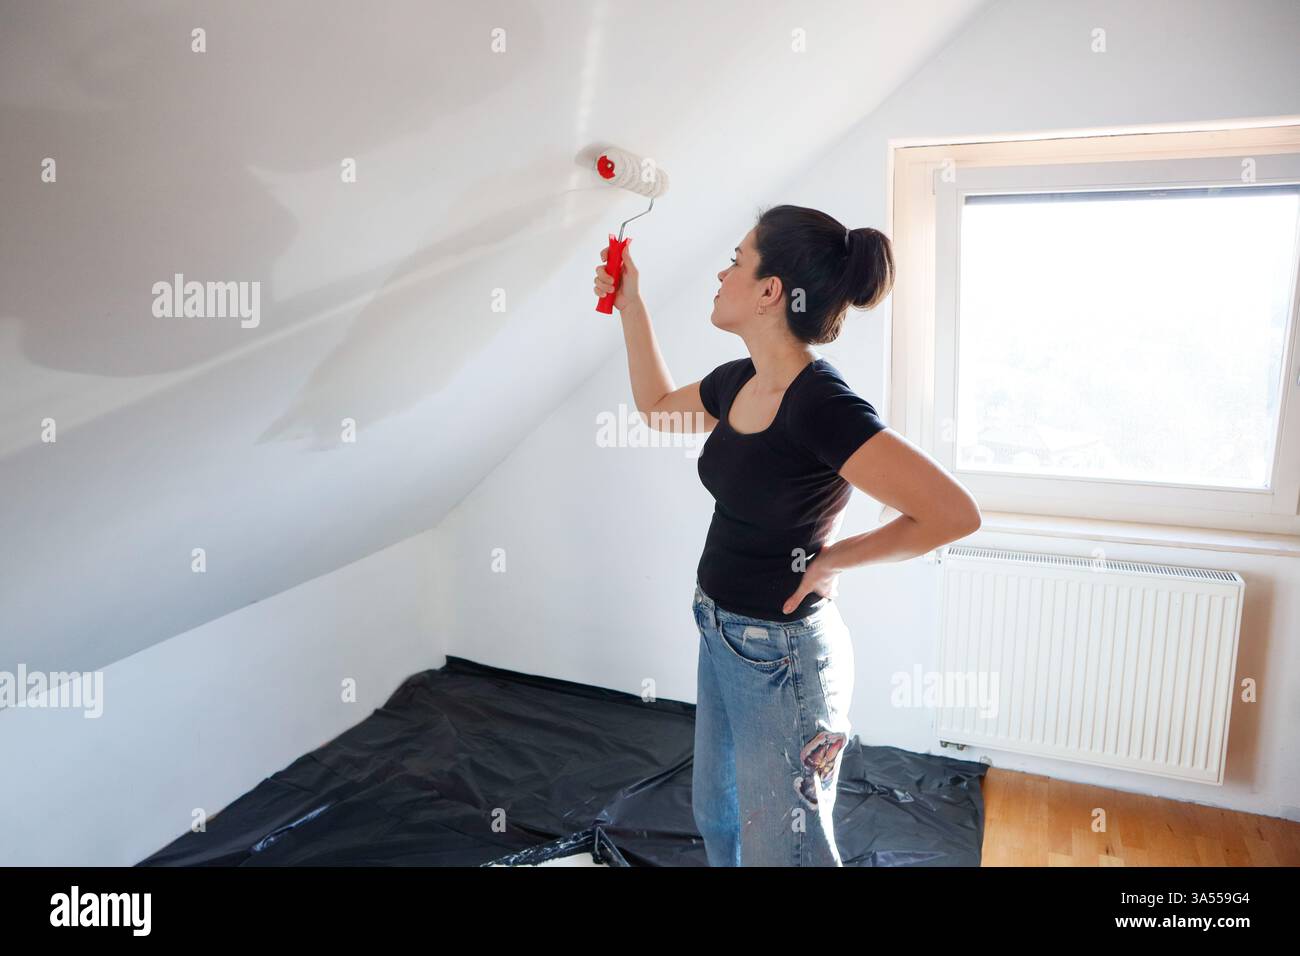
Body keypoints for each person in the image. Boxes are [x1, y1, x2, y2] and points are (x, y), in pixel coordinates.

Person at [594, 204, 982, 866]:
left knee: (787, 847)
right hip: (720, 629)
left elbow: (952, 513)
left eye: (737, 261)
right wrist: (631, 304)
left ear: (772, 291)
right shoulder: (738, 380)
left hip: (782, 658)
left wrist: (837, 557)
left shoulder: (821, 404)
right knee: (718, 814)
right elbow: (658, 409)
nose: (723, 273)